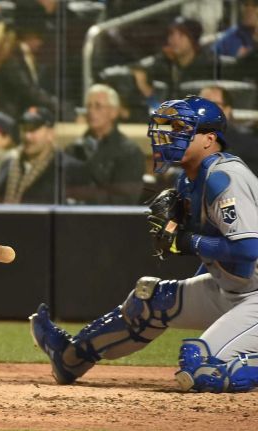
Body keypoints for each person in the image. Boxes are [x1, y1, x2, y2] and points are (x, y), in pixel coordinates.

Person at [30, 95, 258, 393]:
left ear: (209, 139)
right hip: (236, 290)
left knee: (200, 367)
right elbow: (218, 259)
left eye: (179, 127)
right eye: (165, 126)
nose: (167, 134)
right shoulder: (188, 180)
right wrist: (191, 290)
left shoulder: (224, 177)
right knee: (150, 299)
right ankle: (69, 358)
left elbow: (248, 250)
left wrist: (187, 241)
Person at [65, 84, 145, 205]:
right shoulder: (73, 150)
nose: (91, 111)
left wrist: (85, 197)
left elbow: (125, 200)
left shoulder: (130, 153)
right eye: (89, 106)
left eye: (98, 106)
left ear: (113, 112)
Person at [0, 106, 85, 204]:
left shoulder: (68, 169)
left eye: (33, 130)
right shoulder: (8, 164)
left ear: (50, 134)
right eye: (24, 129)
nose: (27, 136)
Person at [132, 17, 214, 107]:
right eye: (171, 34)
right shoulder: (164, 63)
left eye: (181, 35)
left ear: (193, 39)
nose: (174, 40)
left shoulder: (207, 66)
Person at [199, 85, 258, 175]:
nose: (203, 109)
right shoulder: (189, 137)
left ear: (227, 110)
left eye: (212, 104)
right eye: (200, 104)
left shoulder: (247, 144)